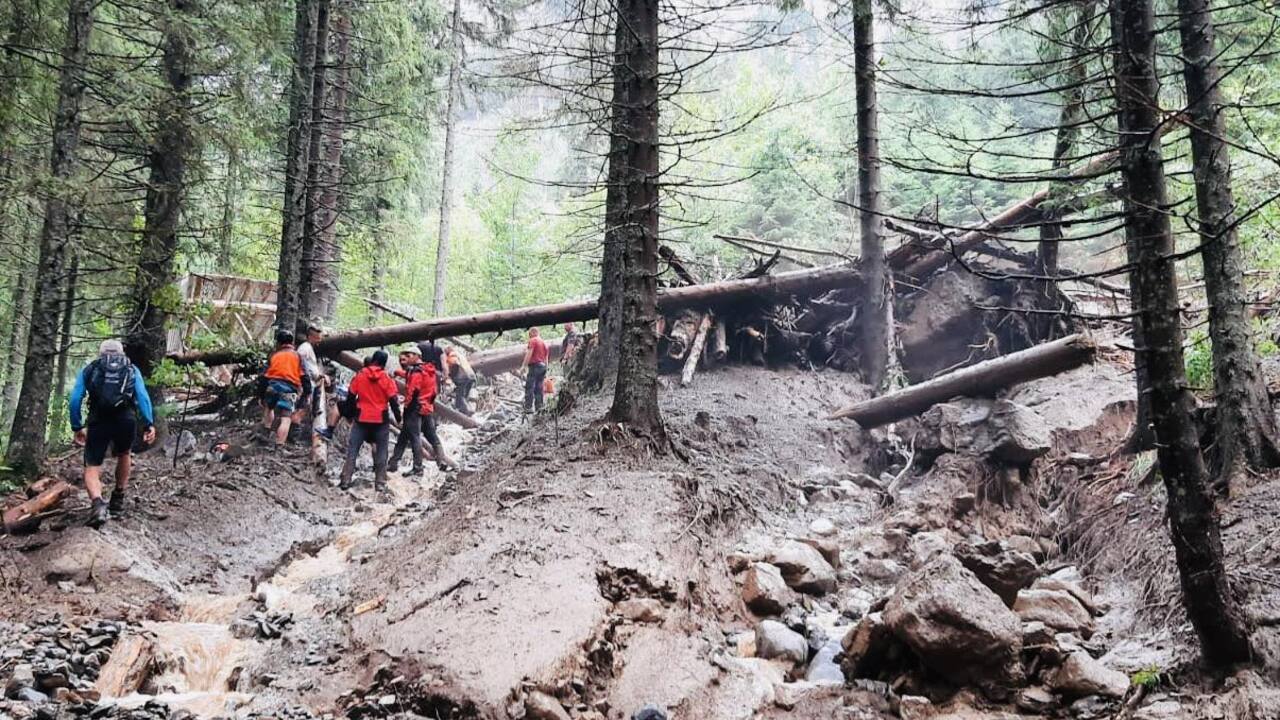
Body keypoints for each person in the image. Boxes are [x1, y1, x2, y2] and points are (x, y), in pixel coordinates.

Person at [69, 340, 156, 527]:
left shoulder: (91, 368)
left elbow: (75, 398)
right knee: (124, 454)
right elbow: (143, 397)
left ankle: (98, 505)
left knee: (92, 464)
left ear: (100, 353)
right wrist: (149, 423)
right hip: (126, 419)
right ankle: (118, 499)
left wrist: (77, 426)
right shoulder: (132, 369)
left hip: (99, 420)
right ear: (121, 352)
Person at [340, 350, 401, 492]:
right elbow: (393, 400)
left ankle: (345, 479)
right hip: (381, 420)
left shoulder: (360, 376)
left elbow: (351, 396)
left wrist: (349, 414)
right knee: (381, 450)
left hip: (361, 418)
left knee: (353, 449)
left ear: (373, 359)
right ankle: (380, 482)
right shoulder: (386, 378)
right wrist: (398, 418)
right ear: (384, 363)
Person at [261, 330, 310, 445]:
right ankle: (279, 444)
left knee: (269, 408)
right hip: (289, 389)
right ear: (291, 343)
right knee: (286, 417)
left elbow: (264, 376)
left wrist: (260, 394)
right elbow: (305, 376)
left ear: (278, 343)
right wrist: (307, 393)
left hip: (272, 386)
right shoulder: (297, 356)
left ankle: (266, 431)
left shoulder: (274, 356)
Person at [388, 345, 429, 475]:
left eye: (409, 356)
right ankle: (393, 462)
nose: (405, 358)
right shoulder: (417, 369)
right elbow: (408, 375)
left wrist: (406, 404)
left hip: (413, 408)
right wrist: (396, 372)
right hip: (418, 406)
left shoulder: (417, 371)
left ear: (417, 357)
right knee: (403, 437)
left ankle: (418, 467)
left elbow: (413, 390)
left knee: (414, 437)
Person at [296, 322, 333, 447]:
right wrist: (319, 376)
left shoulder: (308, 348)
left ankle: (295, 433)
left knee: (303, 408)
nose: (319, 341)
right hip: (305, 382)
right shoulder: (304, 349)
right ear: (310, 336)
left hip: (309, 382)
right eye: (317, 338)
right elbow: (306, 367)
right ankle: (292, 435)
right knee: (301, 408)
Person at [521, 327, 549, 414]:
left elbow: (529, 353)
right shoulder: (545, 343)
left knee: (530, 386)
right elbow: (546, 357)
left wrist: (523, 366)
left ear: (533, 333)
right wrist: (546, 368)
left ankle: (528, 407)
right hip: (543, 366)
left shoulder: (533, 340)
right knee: (539, 387)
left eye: (529, 334)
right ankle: (539, 406)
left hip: (535, 366)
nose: (529, 337)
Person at [444, 346, 475, 416]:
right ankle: (463, 413)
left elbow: (455, 364)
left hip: (463, 377)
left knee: (460, 396)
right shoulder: (460, 355)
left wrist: (451, 376)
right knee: (464, 396)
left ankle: (468, 411)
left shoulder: (452, 356)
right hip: (471, 376)